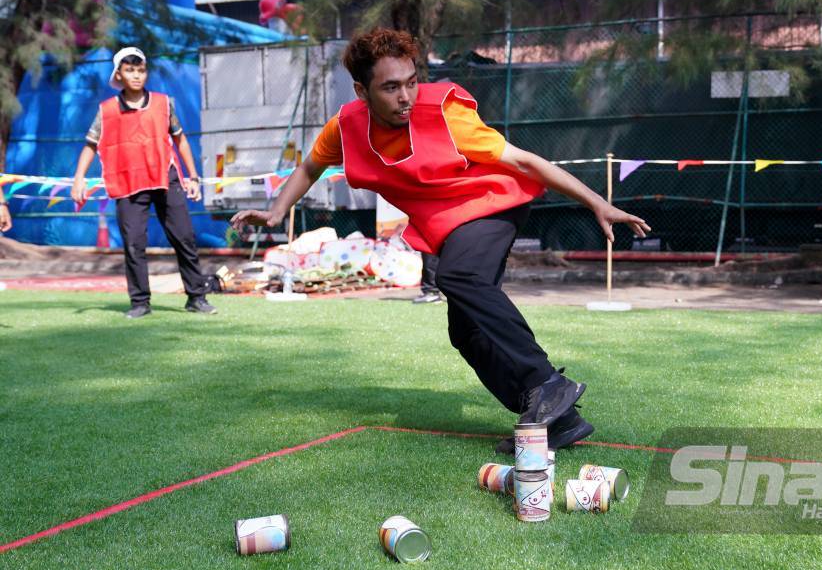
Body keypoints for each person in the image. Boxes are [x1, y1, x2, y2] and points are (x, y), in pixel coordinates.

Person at [232, 29, 649, 452]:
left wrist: (598, 202)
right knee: (465, 332)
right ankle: (556, 420)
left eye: (411, 82)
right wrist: (277, 210)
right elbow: (309, 167)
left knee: (460, 276)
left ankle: (547, 383)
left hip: (493, 201)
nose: (406, 96)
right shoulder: (344, 128)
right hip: (449, 221)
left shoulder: (446, 117)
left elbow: (524, 160)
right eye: (390, 87)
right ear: (362, 90)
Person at [71, 47, 217, 319]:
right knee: (134, 244)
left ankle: (197, 297)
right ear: (119, 74)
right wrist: (78, 180)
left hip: (166, 178)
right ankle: (140, 303)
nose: (136, 76)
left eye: (140, 70)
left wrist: (193, 177)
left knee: (184, 237)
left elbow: (180, 139)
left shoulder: (164, 103)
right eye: (129, 70)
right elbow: (90, 145)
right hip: (127, 183)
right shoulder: (106, 111)